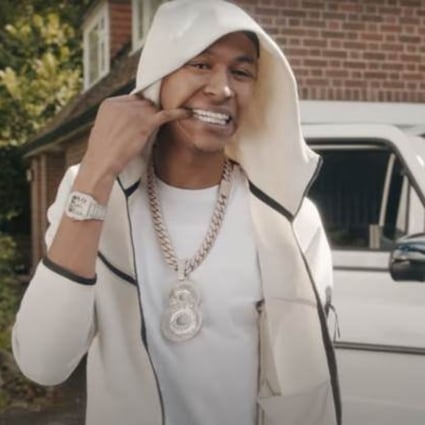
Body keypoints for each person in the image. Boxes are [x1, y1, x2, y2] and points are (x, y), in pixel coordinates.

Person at [12, 1, 341, 424]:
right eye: (200, 64)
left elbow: (311, 386)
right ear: (159, 76)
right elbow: (42, 363)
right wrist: (97, 173)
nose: (221, 89)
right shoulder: (95, 194)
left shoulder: (291, 218)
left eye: (241, 72)